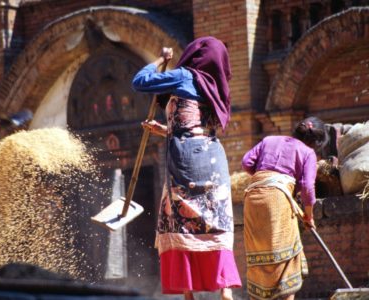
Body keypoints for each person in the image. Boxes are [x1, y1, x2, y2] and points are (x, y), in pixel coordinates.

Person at [132, 37, 242, 300]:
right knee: (216, 222)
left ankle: (188, 294)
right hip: (214, 161)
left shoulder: (184, 76)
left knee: (179, 221)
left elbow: (140, 81)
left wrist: (161, 59)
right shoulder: (216, 86)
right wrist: (166, 130)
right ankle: (225, 289)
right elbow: (198, 126)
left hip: (185, 161)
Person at [241, 116, 328, 300]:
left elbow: (246, 162)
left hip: (252, 198)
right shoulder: (308, 153)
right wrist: (308, 216)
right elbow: (307, 187)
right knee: (288, 258)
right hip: (276, 199)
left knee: (259, 255)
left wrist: (264, 178)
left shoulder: (269, 140)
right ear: (316, 142)